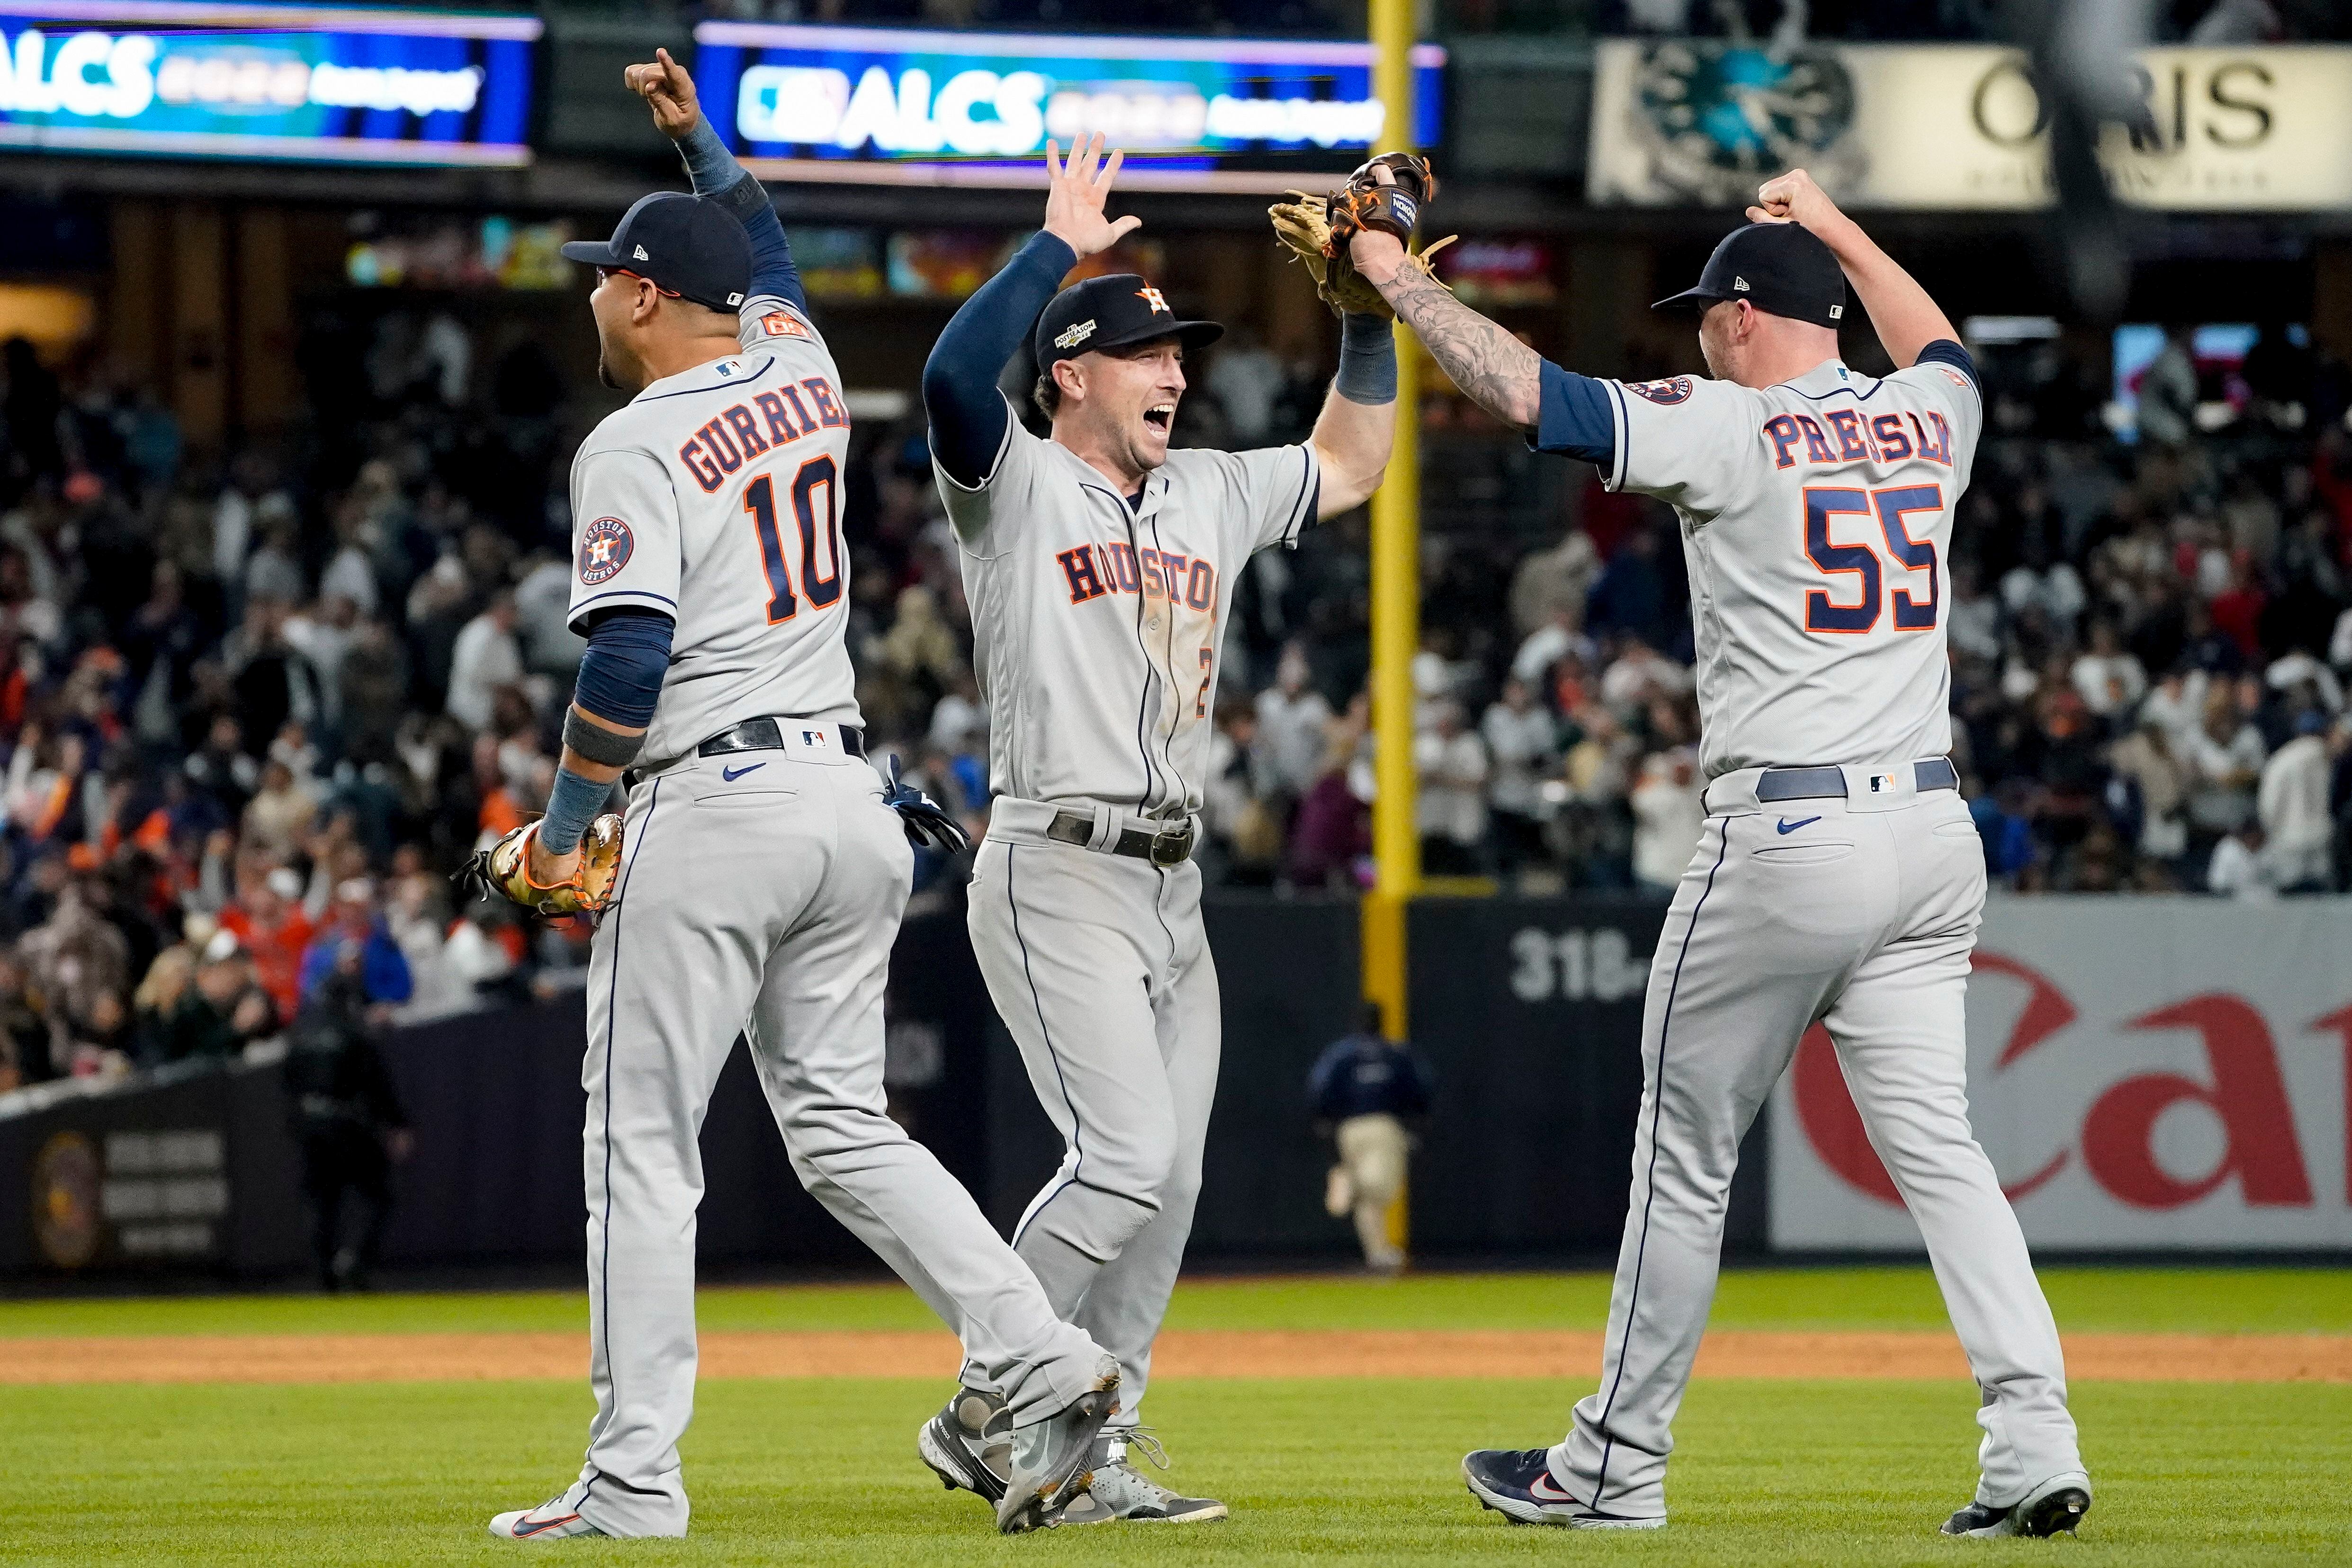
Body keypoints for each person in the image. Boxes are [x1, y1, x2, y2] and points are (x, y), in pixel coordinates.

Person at [1356, 166, 2089, 1536]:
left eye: (1707, 310)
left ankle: (1611, 1464)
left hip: (1789, 830)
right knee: (1942, 1153)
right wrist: (1838, 228)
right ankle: (2029, 1438)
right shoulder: (1925, 421)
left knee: (1681, 1156)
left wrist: (1398, 281)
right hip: (1931, 832)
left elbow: (1532, 397)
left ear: (1747, 318)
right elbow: (1938, 345)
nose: (1694, 330)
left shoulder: (1731, 426)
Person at [480, 53, 1118, 1543]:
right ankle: (1042, 1355)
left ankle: (633, 1478)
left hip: (711, 805)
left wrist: (565, 835)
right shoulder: (803, 367)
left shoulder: (632, 439)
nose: (589, 293)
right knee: (840, 1122)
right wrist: (702, 139)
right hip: (844, 797)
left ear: (643, 295)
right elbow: (761, 247)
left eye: (602, 276)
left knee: (640, 1141)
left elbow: (629, 657)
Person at [916, 133, 1396, 1524]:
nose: (1176, 373)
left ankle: (1066, 1438)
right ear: (1070, 371)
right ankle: (1003, 1393)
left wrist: (1363, 317)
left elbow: (1350, 461)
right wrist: (1053, 251)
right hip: (1055, 860)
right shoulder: (1008, 484)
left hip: (1173, 885)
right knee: (1119, 1155)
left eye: (1179, 355)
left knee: (1165, 1179)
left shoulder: (1206, 491)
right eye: (1146, 354)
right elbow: (953, 378)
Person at [283, 951, 412, 1291]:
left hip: (311, 1125)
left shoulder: (301, 1032)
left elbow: (288, 1083)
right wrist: (397, 1124)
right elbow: (377, 1083)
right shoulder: (355, 1032)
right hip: (348, 1125)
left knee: (321, 1202)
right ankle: (354, 1260)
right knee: (377, 1195)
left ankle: (325, 1272)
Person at [1306, 1003, 1434, 1272]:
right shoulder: (1395, 1053)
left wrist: (1324, 1124)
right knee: (1380, 1187)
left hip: (1349, 1129)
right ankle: (1353, 1186)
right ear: (1382, 1022)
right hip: (1382, 1126)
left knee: (1371, 1201)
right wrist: (1415, 1124)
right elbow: (1422, 1089)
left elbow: (1318, 1089)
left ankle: (1378, 1254)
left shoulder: (1340, 1055)